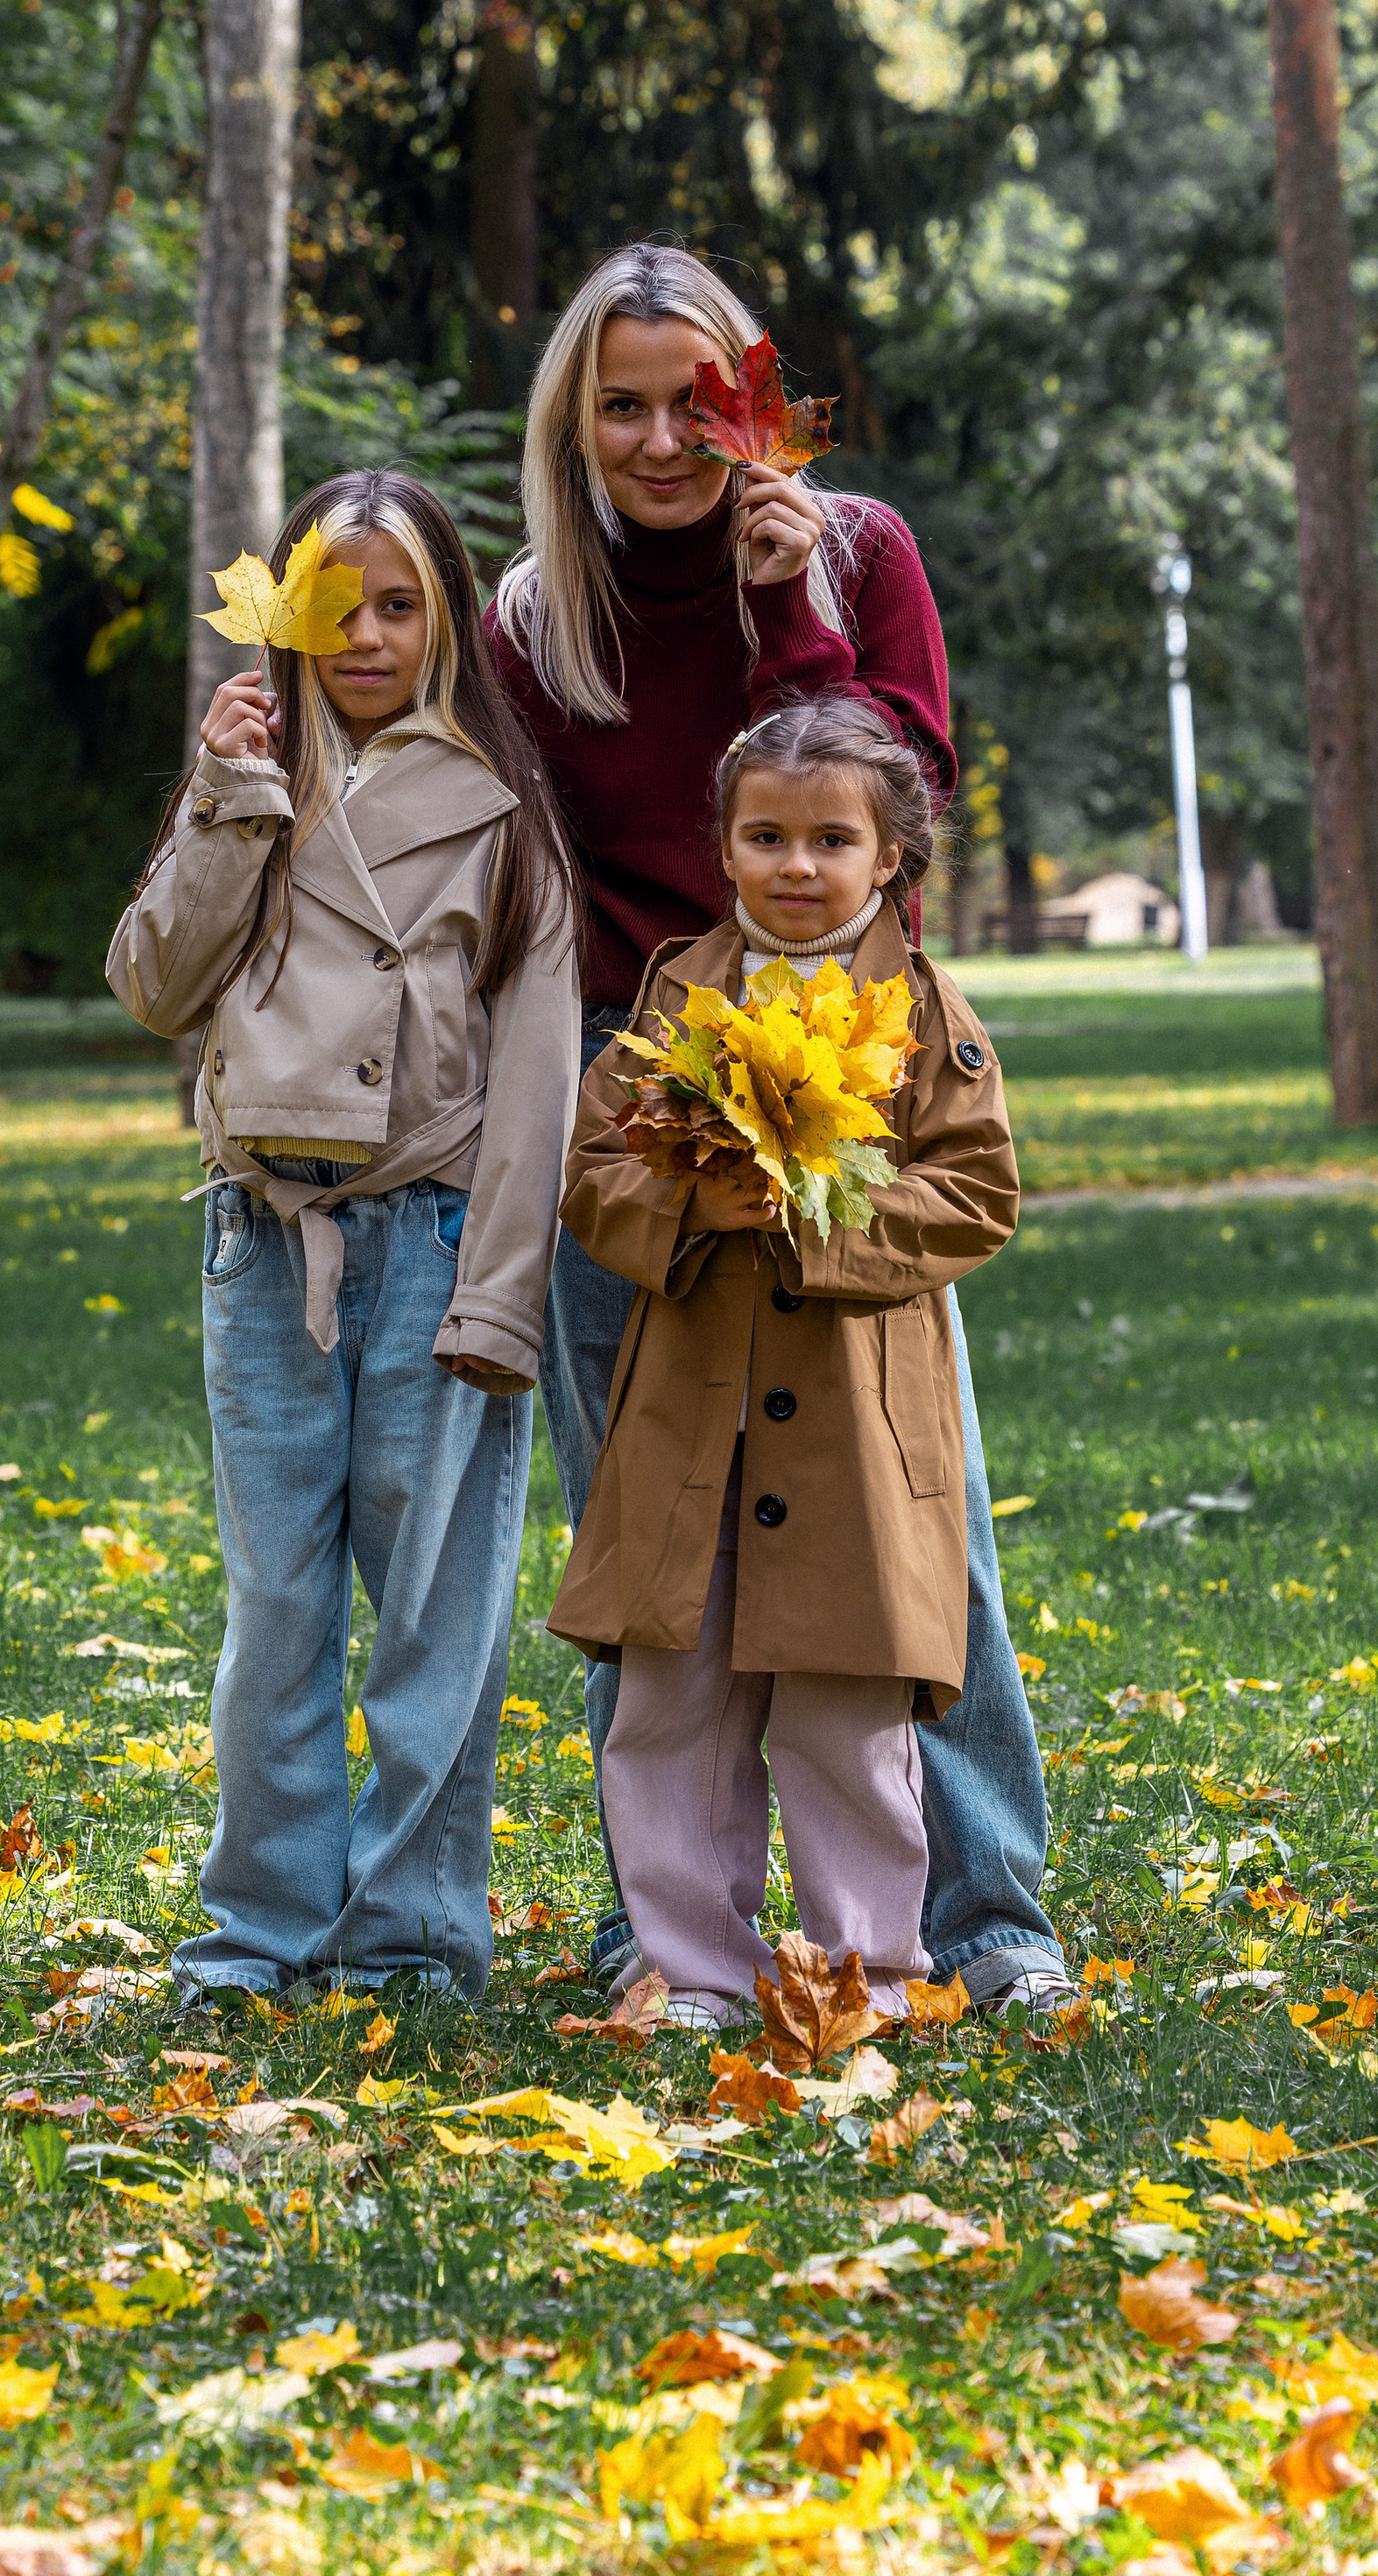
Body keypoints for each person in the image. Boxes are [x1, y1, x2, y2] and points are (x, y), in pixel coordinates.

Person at [486, 237, 1072, 2014]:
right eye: (624, 407)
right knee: (646, 1523)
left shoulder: (859, 549)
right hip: (642, 1064)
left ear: (752, 400)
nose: (664, 441)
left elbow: (888, 787)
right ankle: (663, 1927)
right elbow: (530, 867)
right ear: (574, 424)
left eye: (698, 402)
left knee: (909, 1515)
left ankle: (984, 1913)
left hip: (841, 1054)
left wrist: (793, 605)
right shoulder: (532, 616)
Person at [109, 470, 580, 2005]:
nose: (365, 635)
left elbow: (537, 1085)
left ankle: (414, 1940)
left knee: (437, 1622)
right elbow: (152, 986)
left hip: (438, 1241)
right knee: (278, 1614)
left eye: (399, 606)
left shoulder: (507, 817)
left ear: (446, 619)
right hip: (263, 1242)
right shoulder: (251, 785)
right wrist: (222, 804)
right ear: (286, 618)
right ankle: (260, 1934)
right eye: (336, 606)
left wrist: (502, 1301)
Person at [548, 695, 1018, 2022]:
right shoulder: (675, 994)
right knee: (671, 1706)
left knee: (846, 1713)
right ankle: (693, 1969)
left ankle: (859, 1971)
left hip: (858, 1431)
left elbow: (977, 1193)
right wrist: (700, 1203)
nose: (796, 866)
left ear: (890, 863)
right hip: (690, 1416)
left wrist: (819, 1207)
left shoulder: (924, 1011)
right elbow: (593, 1174)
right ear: (724, 848)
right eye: (766, 837)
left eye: (830, 841)